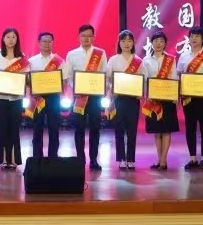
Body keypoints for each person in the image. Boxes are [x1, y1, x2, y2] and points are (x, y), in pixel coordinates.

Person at [64, 23, 107, 171]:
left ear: (93, 37)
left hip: (95, 97)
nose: (86, 39)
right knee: (79, 129)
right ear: (79, 37)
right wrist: (75, 88)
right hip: (79, 98)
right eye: (83, 36)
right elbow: (69, 76)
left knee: (95, 128)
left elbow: (104, 75)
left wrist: (101, 87)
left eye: (89, 36)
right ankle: (80, 159)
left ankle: (94, 159)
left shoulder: (100, 53)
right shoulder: (72, 54)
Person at [178, 26, 203, 169]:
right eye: (191, 36)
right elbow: (179, 75)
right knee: (190, 128)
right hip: (188, 98)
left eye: (197, 36)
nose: (194, 39)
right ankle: (192, 158)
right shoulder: (184, 56)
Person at [0, 28, 28, 170]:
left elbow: (26, 77)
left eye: (13, 37)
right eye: (8, 37)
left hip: (16, 99)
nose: (11, 40)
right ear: (3, 39)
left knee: (14, 128)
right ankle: (3, 159)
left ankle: (14, 160)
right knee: (2, 128)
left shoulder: (21, 57)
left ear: (17, 39)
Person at [106, 30, 145, 170]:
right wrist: (113, 88)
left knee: (132, 131)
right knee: (119, 130)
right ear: (119, 43)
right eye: (123, 41)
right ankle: (121, 159)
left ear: (133, 43)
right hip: (118, 99)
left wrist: (141, 92)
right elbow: (108, 79)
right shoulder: (113, 60)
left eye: (129, 41)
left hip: (133, 100)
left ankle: (131, 159)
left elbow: (144, 80)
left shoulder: (138, 61)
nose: (126, 43)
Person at [143, 30, 179, 170]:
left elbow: (174, 77)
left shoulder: (171, 59)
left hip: (167, 99)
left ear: (165, 44)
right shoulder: (146, 60)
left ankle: (164, 160)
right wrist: (146, 95)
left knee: (166, 130)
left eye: (161, 41)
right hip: (153, 99)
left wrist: (175, 95)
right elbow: (145, 80)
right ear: (151, 43)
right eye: (156, 41)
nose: (158, 43)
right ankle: (159, 160)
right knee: (157, 131)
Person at [28, 32, 65, 158]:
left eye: (49, 41)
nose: (47, 44)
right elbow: (28, 81)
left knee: (54, 128)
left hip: (54, 98)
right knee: (37, 128)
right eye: (44, 41)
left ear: (53, 43)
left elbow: (64, 80)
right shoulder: (31, 61)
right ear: (39, 43)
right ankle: (37, 157)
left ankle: (53, 158)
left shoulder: (59, 61)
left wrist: (58, 86)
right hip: (37, 98)